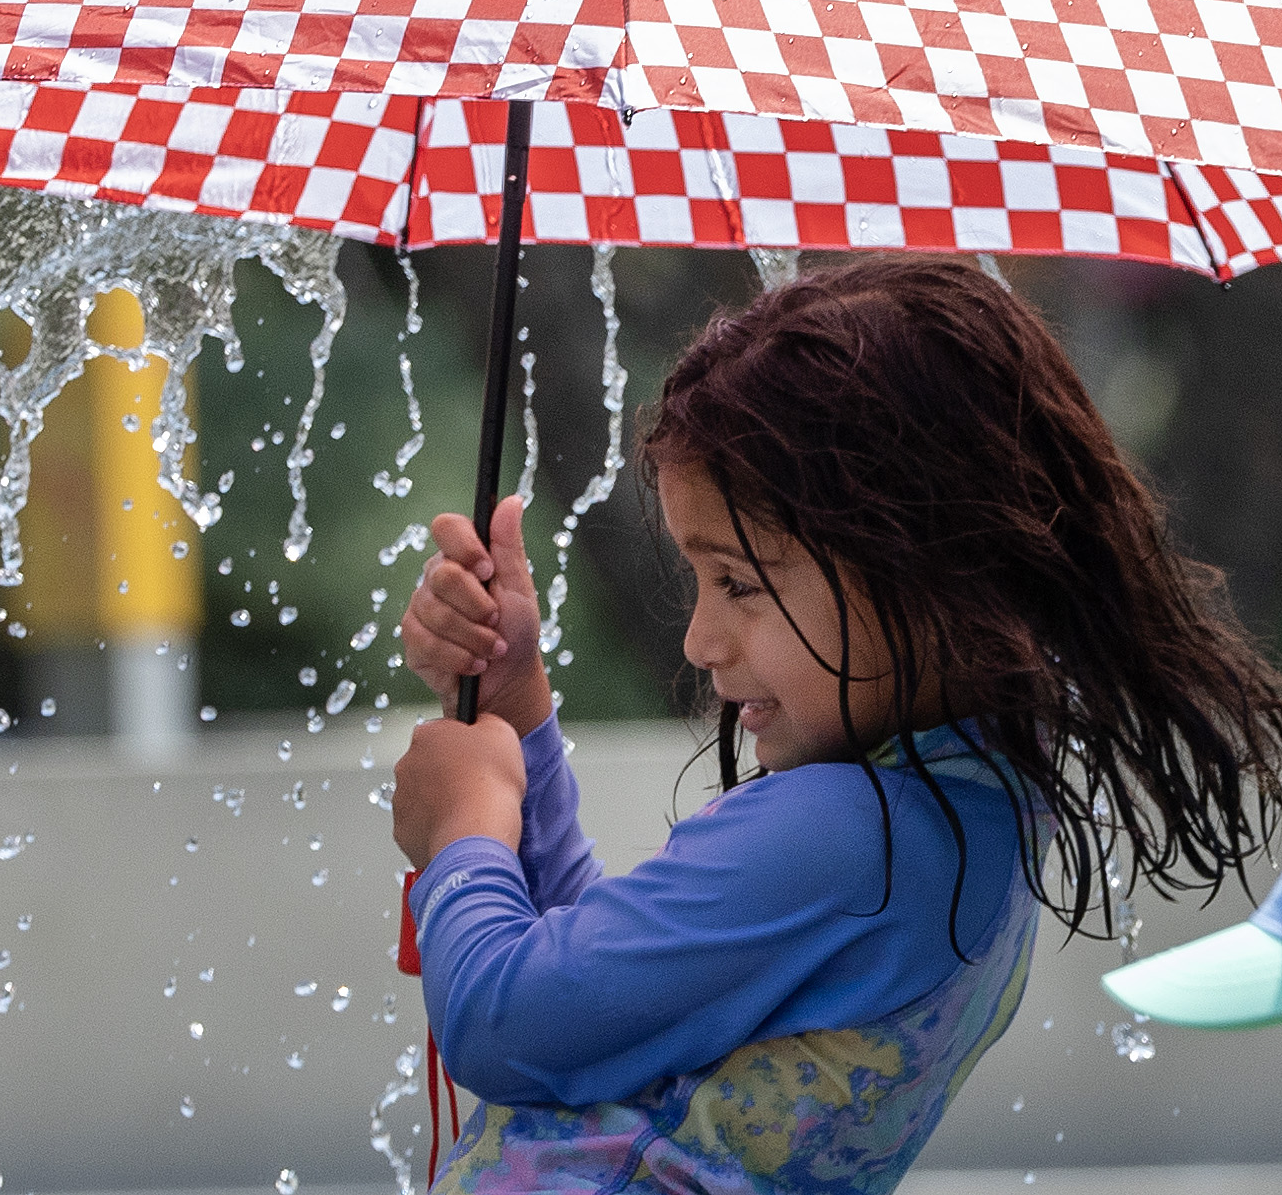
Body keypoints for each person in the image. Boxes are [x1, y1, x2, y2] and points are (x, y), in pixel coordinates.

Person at [391, 255, 1282, 1192]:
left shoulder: (855, 835)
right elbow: (604, 1011)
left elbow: (508, 1025)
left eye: (739, 581)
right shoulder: (971, 808)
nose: (698, 638)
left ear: (921, 561)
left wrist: (464, 829)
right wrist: (518, 706)